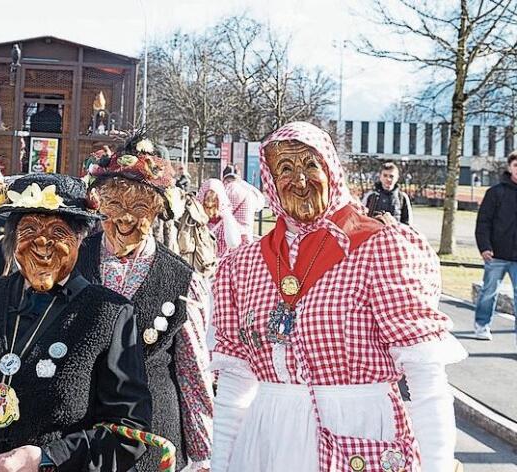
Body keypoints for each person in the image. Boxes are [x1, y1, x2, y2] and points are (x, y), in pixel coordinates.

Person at [211, 121, 466, 472]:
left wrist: (437, 465)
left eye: (310, 165)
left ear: (331, 169)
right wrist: (222, 463)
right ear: (269, 181)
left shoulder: (379, 248)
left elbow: (426, 378)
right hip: (265, 440)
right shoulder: (244, 264)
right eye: (285, 168)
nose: (299, 180)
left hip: (358, 429)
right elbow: (234, 388)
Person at [0, 173, 154, 472]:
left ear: (79, 239)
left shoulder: (108, 314)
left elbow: (129, 434)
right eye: (29, 229)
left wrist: (47, 457)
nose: (42, 242)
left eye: (58, 231)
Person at [81, 133, 213, 472]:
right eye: (114, 206)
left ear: (156, 211)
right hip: (80, 432)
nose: (125, 219)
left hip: (153, 437)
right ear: (99, 206)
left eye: (139, 208)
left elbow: (192, 375)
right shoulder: (74, 263)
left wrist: (201, 454)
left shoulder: (183, 279)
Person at [473, 151, 517, 341]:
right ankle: (482, 325)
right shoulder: (496, 192)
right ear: (509, 167)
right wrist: (484, 247)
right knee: (489, 292)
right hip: (496, 254)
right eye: (516, 165)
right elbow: (483, 222)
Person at [196, 178, 241, 259]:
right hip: (221, 262)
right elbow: (234, 243)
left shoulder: (196, 218)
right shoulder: (226, 217)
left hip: (202, 262)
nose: (209, 203)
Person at [222, 164, 264, 242]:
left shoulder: (220, 192)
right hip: (245, 240)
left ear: (223, 177)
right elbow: (260, 205)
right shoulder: (249, 192)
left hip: (225, 241)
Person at [362, 161, 413, 225]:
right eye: (385, 175)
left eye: (391, 176)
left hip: (396, 234)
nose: (388, 179)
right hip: (375, 233)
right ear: (380, 177)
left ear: (397, 178)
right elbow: (362, 219)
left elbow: (408, 223)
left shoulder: (402, 197)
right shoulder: (370, 195)